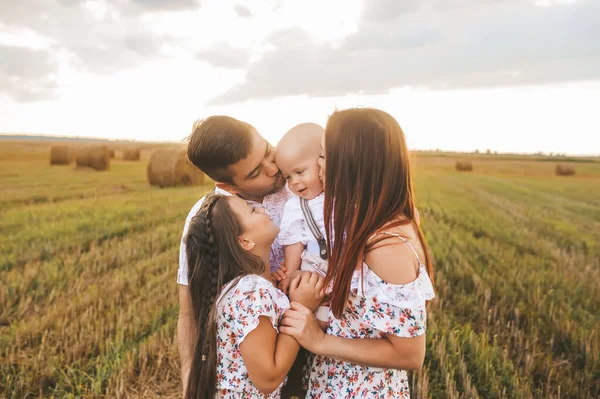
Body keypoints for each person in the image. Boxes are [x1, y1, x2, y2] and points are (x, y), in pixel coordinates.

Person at [281, 108, 436, 398]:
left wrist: (318, 340)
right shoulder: (363, 225)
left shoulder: (386, 247)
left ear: (352, 164)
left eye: (325, 156)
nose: (319, 165)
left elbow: (409, 355)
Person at [177, 116, 290, 395]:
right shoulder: (206, 221)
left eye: (267, 151)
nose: (274, 168)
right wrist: (191, 384)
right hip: (259, 366)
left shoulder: (303, 184)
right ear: (227, 186)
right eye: (255, 173)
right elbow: (190, 312)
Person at [184, 193, 324, 398]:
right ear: (245, 241)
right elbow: (268, 378)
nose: (262, 209)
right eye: (252, 210)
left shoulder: (249, 288)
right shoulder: (251, 292)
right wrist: (301, 306)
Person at [272, 123, 330, 326]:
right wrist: (290, 272)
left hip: (347, 268)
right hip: (315, 268)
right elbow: (294, 241)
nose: (294, 182)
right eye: (288, 177)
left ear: (323, 162)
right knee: (320, 319)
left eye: (300, 172)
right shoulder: (296, 206)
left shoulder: (344, 195)